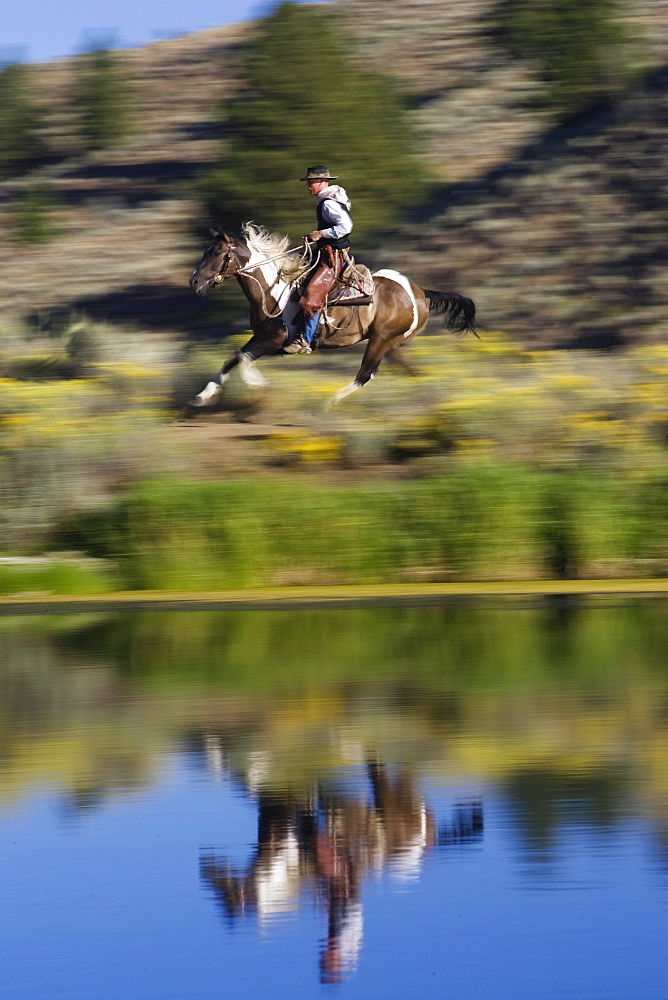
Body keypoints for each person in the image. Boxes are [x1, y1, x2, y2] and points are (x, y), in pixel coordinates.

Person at [283, 165, 354, 354]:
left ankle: (305, 341)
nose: (308, 186)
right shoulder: (327, 201)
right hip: (325, 254)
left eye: (311, 182)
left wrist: (321, 233)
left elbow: (345, 226)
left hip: (333, 258)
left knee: (311, 298)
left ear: (322, 182)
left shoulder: (328, 203)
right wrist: (315, 236)